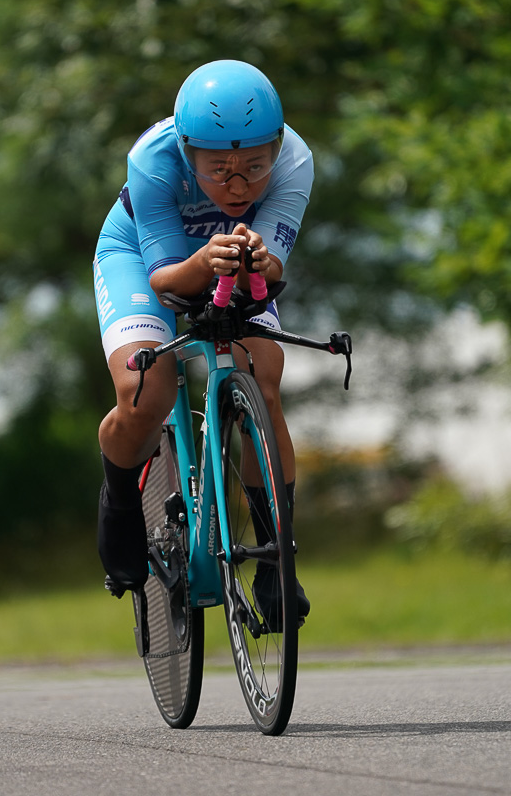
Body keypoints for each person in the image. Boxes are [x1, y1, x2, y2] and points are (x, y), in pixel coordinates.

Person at [93, 59, 313, 620]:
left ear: (278, 147)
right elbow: (166, 282)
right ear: (189, 153)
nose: (237, 186)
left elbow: (273, 275)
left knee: (264, 379)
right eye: (218, 170)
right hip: (142, 255)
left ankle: (275, 559)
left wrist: (257, 264)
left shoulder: (295, 160)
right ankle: (120, 501)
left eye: (253, 168)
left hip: (232, 263)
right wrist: (202, 260)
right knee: (147, 393)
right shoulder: (153, 159)